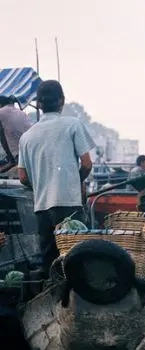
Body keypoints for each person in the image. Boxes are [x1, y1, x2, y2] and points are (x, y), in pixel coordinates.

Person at [17, 80, 95, 275]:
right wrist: (75, 183)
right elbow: (86, 164)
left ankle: (54, 301)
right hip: (68, 203)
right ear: (62, 101)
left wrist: (42, 185)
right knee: (75, 260)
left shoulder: (27, 136)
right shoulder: (73, 124)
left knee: (50, 263)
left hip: (42, 208)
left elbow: (23, 178)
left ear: (39, 105)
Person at [0, 96, 33, 174]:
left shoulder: (1, 112)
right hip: (29, 152)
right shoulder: (22, 113)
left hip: (18, 156)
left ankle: (12, 160)